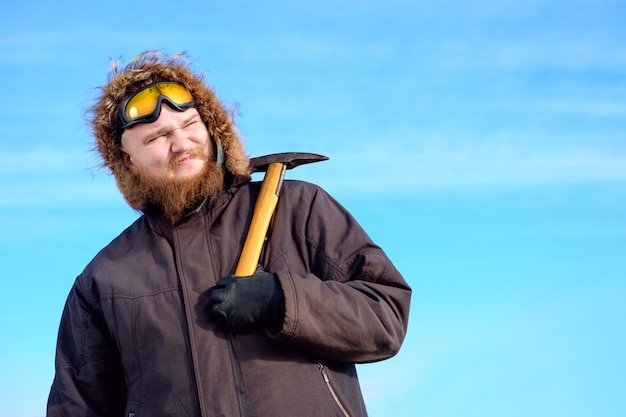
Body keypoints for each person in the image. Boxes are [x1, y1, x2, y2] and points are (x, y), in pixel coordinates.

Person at [47, 50, 411, 417]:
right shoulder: (105, 277)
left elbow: (386, 316)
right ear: (127, 160)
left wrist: (283, 301)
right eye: (157, 137)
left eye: (190, 124)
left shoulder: (298, 208)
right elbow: (76, 405)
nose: (181, 144)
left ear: (211, 127)